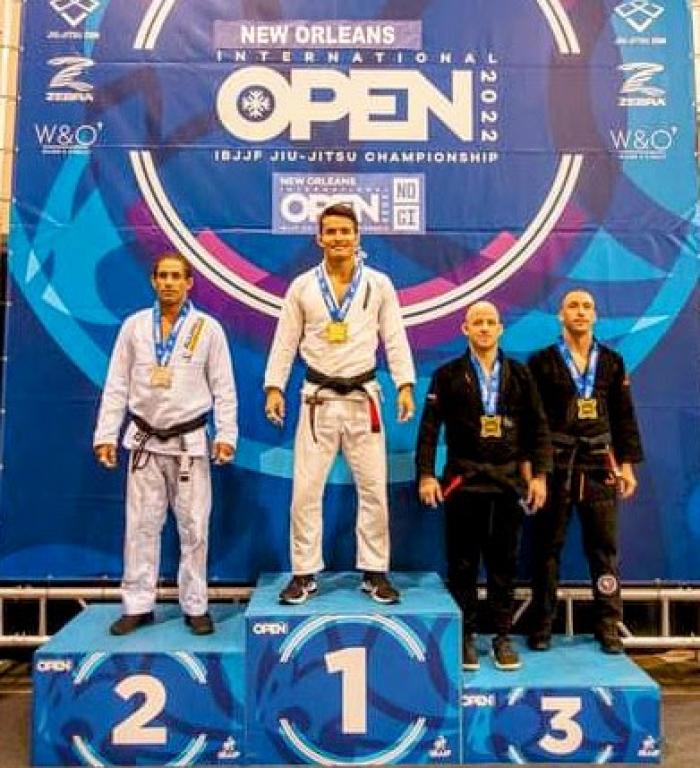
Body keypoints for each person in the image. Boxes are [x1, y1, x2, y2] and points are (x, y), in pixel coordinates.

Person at [264, 203, 416, 605]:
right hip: (317, 400)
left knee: (374, 491)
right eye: (330, 231)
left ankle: (375, 572)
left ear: (357, 236)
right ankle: (303, 573)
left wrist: (404, 384)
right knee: (305, 492)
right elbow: (285, 340)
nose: (338, 238)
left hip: (364, 398)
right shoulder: (302, 286)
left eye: (344, 231)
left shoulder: (379, 284)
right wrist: (274, 387)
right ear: (319, 238)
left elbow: (395, 336)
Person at [94, 252, 238, 635]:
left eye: (177, 276)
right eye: (163, 276)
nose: (170, 283)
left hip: (190, 443)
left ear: (189, 283)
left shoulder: (207, 329)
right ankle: (138, 604)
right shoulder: (135, 327)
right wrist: (106, 434)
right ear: (153, 281)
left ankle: (195, 604)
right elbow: (117, 384)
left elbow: (224, 387)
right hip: (144, 441)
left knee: (195, 528)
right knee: (140, 526)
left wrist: (226, 435)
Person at [416, 302, 551, 670]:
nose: (485, 328)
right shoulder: (447, 375)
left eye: (491, 322)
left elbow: (538, 428)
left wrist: (539, 476)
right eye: (478, 322)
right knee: (462, 563)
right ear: (465, 329)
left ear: (501, 328)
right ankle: (465, 636)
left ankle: (502, 636)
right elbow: (429, 430)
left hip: (508, 483)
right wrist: (426, 475)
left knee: (504, 563)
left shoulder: (520, 374)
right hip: (463, 480)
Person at [527, 289, 643, 654]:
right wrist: (537, 472)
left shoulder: (611, 361)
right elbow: (534, 421)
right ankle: (541, 624)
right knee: (546, 548)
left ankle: (608, 624)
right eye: (573, 306)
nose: (580, 312)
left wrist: (626, 466)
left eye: (587, 306)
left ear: (595, 316)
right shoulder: (541, 362)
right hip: (557, 464)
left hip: (599, 465)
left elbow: (624, 416)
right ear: (560, 315)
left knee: (604, 549)